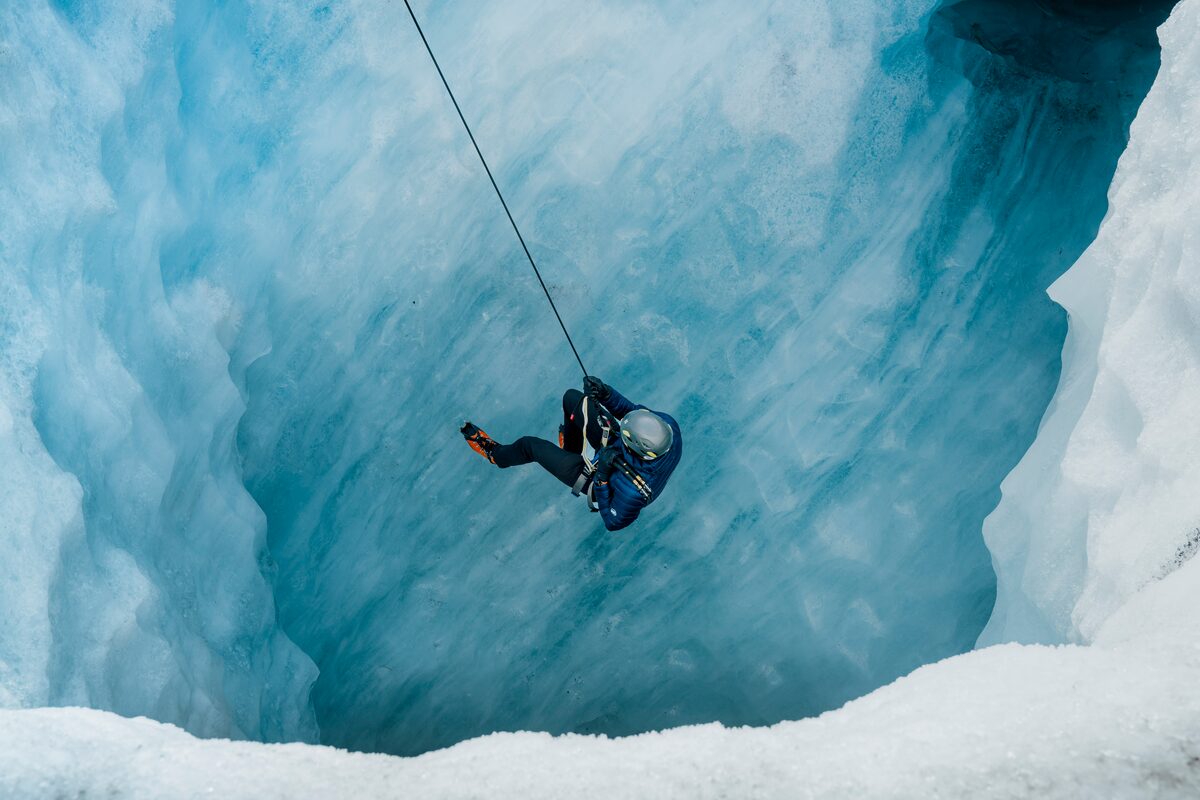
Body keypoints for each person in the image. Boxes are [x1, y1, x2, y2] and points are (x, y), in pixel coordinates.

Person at [461, 377, 682, 531]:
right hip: (615, 448)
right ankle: (571, 450)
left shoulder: (635, 492)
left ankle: (495, 454)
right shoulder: (666, 427)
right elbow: (631, 411)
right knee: (572, 398)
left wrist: (603, 475)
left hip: (598, 478)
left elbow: (612, 521)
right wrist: (606, 393)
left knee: (531, 446)